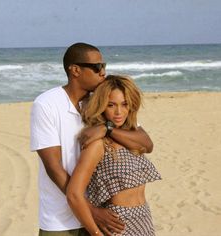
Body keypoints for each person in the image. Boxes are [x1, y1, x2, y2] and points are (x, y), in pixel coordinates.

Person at [30, 42, 153, 236]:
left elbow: (144, 141)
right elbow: (54, 167)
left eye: (104, 66)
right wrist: (90, 210)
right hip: (61, 220)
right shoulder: (47, 104)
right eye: (97, 67)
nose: (103, 72)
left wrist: (107, 128)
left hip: (103, 213)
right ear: (75, 70)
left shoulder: (102, 101)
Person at [66, 75, 161, 236]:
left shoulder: (130, 134)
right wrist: (96, 233)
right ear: (102, 106)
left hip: (143, 216)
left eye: (125, 104)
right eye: (111, 105)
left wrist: (107, 128)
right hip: (117, 221)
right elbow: (73, 194)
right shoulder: (98, 144)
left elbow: (148, 145)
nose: (119, 112)